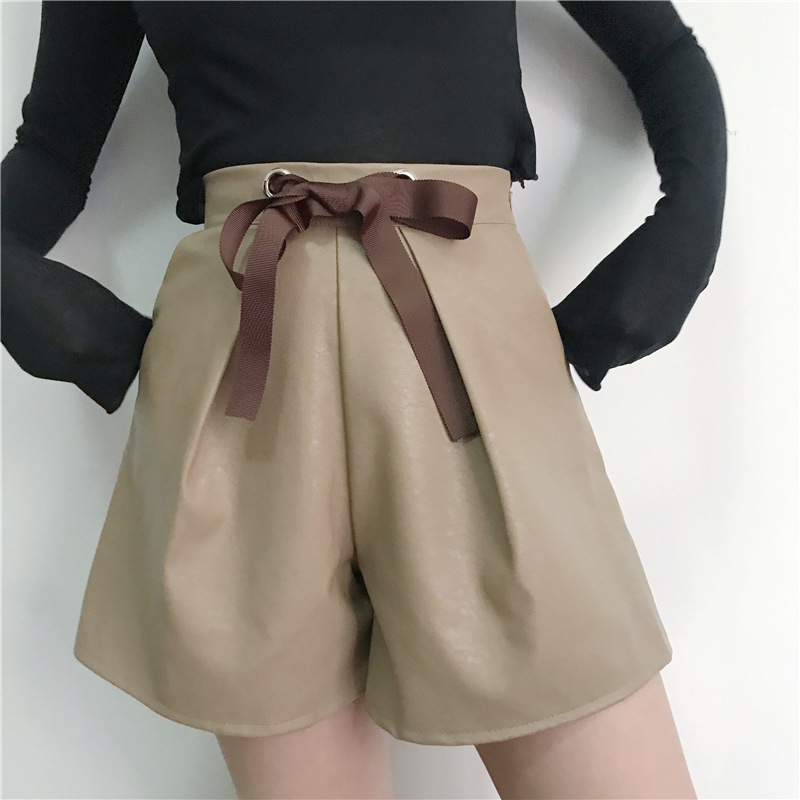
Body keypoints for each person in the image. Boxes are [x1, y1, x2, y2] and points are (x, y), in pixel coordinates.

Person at [1, 2, 726, 798]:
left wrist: (682, 236)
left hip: (474, 370)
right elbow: (52, 151)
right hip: (244, 381)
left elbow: (664, 55)